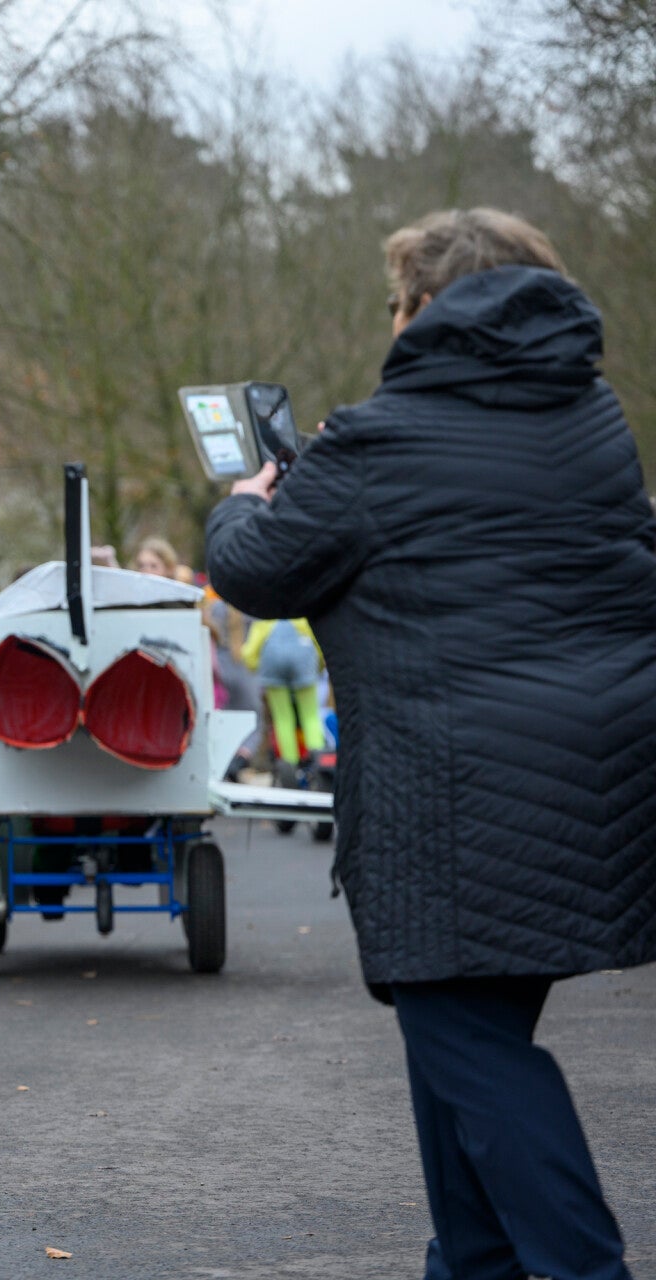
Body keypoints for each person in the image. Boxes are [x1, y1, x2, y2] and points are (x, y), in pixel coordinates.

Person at [204, 208, 655, 1280]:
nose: (391, 321)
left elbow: (259, 569)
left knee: (473, 1048)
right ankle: (474, 1261)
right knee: (458, 1040)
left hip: (452, 795)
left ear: (431, 306)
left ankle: (583, 1268)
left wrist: (240, 503)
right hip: (593, 784)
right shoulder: (589, 417)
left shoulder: (381, 436)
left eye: (398, 301)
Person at [240, 618, 325, 771]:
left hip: (273, 665)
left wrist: (255, 667)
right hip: (303, 662)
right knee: (311, 715)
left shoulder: (266, 617)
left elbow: (249, 653)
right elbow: (318, 643)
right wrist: (317, 667)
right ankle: (318, 762)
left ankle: (289, 765)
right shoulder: (301, 617)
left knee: (282, 718)